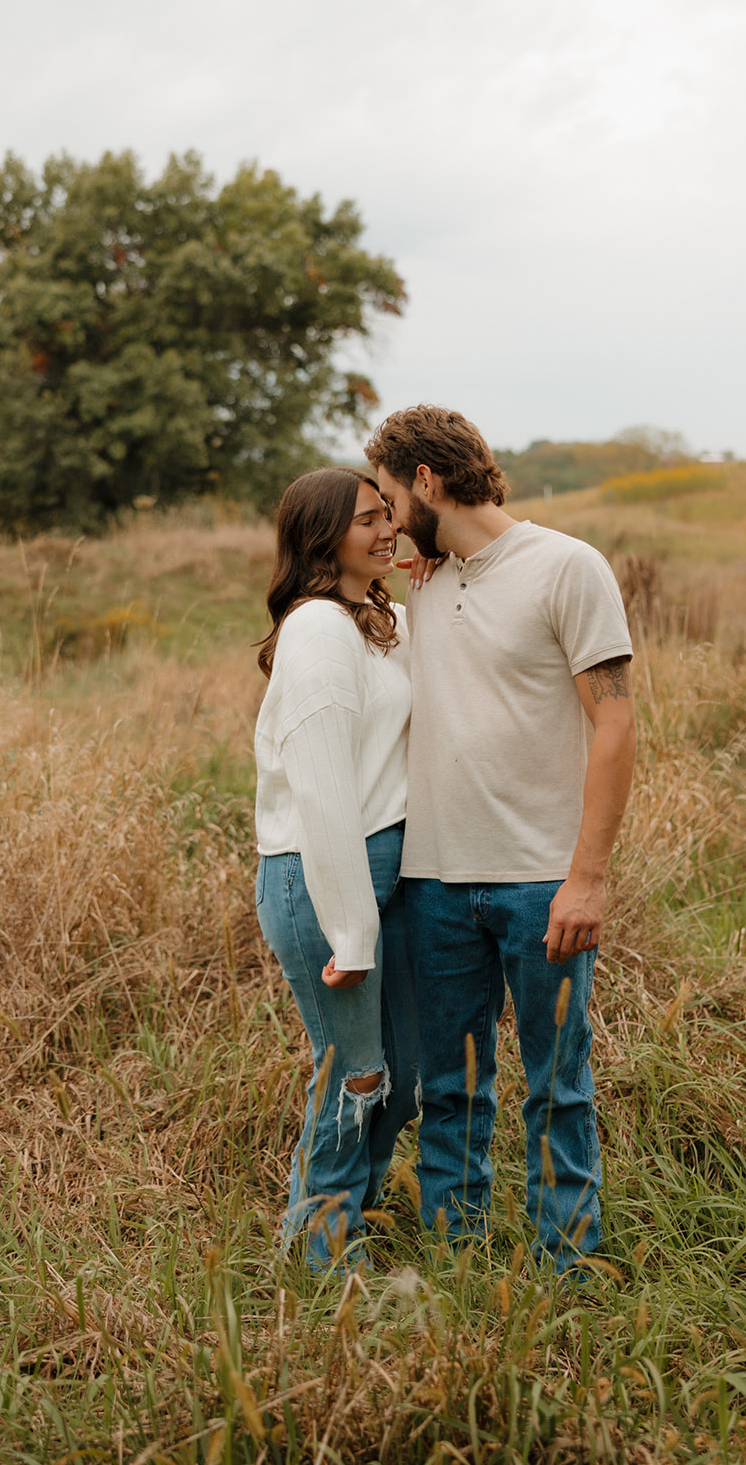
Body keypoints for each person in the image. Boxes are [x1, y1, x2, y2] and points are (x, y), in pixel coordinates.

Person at [364, 407, 636, 1271]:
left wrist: (586, 877)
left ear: (427, 483)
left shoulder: (566, 567)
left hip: (537, 884)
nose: (382, 515)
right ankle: (457, 1262)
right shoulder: (420, 579)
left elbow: (616, 724)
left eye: (386, 495)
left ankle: (571, 1267)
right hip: (433, 883)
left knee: (556, 1086)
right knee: (450, 1092)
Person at [253, 467, 418, 1269]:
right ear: (323, 537)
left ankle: (356, 1210)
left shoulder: (369, 622)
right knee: (356, 1073)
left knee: (402, 1075)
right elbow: (320, 789)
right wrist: (351, 930)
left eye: (388, 515)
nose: (388, 529)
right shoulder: (318, 628)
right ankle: (321, 1257)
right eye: (366, 521)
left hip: (373, 865)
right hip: (320, 874)